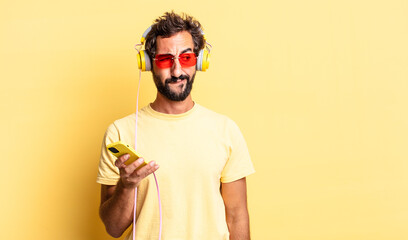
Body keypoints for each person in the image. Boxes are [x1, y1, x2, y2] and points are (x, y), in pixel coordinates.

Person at [97, 11, 255, 240]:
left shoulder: (226, 130)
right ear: (149, 63)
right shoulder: (120, 133)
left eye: (187, 58)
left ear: (200, 62)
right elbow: (113, 228)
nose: (177, 71)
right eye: (164, 59)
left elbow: (237, 215)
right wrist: (127, 186)